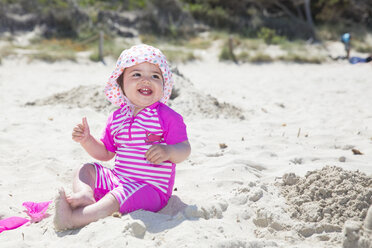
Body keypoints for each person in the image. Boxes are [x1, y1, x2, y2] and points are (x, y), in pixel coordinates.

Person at [54, 44, 191, 230]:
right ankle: (86, 195)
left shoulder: (167, 116)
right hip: (120, 179)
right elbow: (105, 153)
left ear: (164, 84)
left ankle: (74, 219)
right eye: (136, 74)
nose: (146, 80)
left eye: (155, 76)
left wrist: (169, 151)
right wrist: (87, 140)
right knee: (86, 169)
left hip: (150, 188)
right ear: (121, 84)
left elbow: (184, 149)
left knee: (116, 197)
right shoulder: (117, 117)